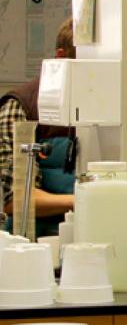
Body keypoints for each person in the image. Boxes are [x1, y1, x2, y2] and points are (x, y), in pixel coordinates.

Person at [0, 19, 76, 236]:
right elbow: (16, 198)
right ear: (61, 57)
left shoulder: (105, 107)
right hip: (36, 241)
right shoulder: (21, 106)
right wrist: (82, 200)